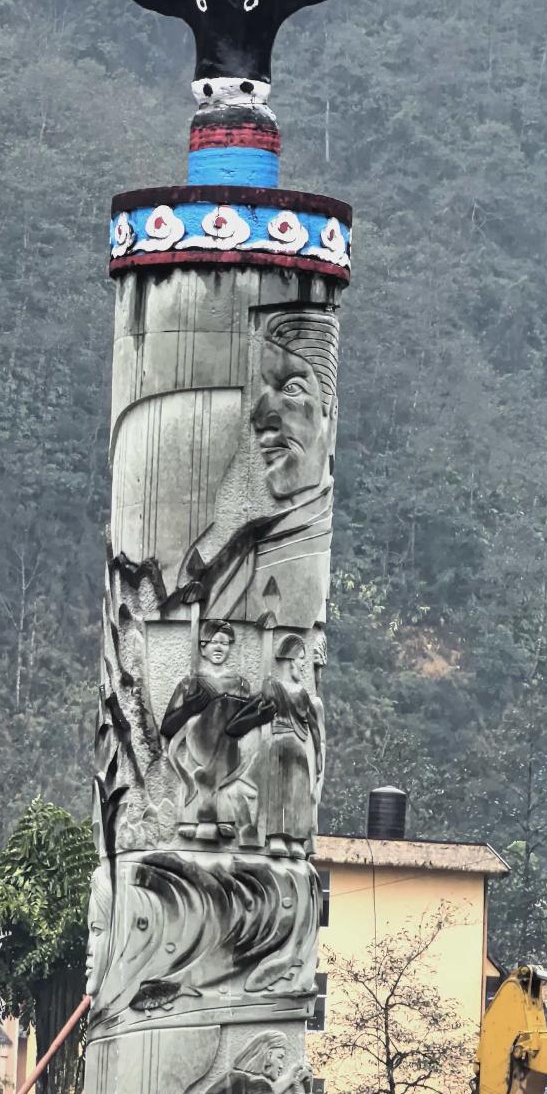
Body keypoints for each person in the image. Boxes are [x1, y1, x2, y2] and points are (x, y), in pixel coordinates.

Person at [170, 309, 339, 629]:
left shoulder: (306, 546)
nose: (261, 418)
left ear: (332, 417)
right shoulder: (243, 545)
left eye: (291, 388)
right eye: (261, 392)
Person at [159, 619, 270, 843]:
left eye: (225, 643)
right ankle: (196, 816)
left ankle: (224, 816)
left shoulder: (240, 684)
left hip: (230, 753)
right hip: (197, 747)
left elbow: (245, 719)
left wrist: (257, 717)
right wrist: (188, 709)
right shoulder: (190, 683)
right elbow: (167, 727)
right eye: (214, 642)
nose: (219, 647)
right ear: (202, 647)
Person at [256, 634, 323, 858]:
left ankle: (295, 838)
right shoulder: (274, 686)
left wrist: (318, 756)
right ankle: (279, 837)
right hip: (281, 744)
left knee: (298, 792)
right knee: (280, 790)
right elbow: (262, 706)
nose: (303, 664)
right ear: (290, 659)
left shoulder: (299, 692)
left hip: (294, 747)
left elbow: (313, 725)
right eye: (301, 658)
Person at [193, 1033, 287, 1094]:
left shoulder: (235, 1078)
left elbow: (269, 1091)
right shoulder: (258, 1084)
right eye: (280, 1057)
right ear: (268, 1056)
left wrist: (290, 1077)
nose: (281, 1066)